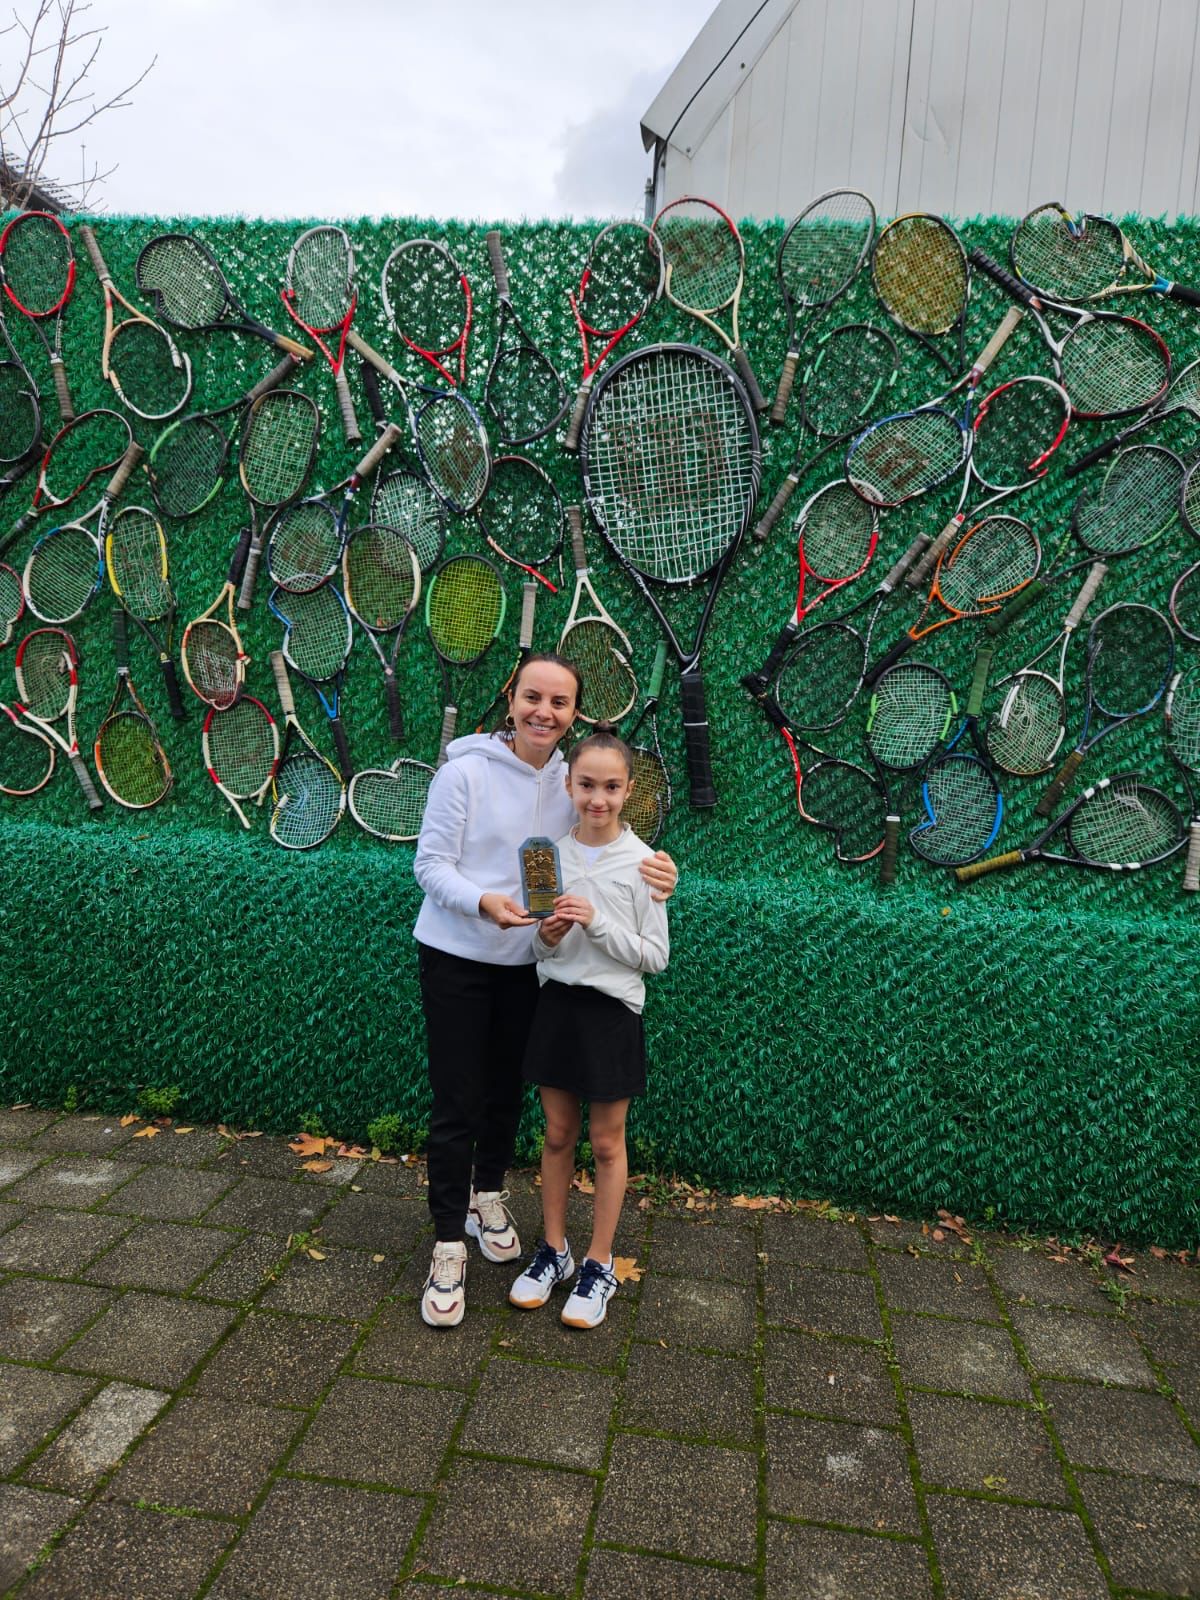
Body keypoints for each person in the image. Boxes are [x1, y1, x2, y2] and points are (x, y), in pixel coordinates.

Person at [412, 655, 676, 1328]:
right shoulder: (463, 772)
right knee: (458, 1101)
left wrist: (663, 872)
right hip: (458, 954)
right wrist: (484, 903)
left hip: (531, 966)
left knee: (506, 1095)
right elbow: (431, 865)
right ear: (512, 698)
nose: (544, 712)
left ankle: (488, 1196)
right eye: (533, 696)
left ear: (574, 714)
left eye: (560, 703)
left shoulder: (569, 778)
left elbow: (610, 842)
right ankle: (448, 1247)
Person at [509, 724, 668, 1329]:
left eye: (611, 787)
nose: (597, 799)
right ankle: (554, 1251)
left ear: (629, 791)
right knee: (556, 1134)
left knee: (605, 1143)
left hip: (612, 1013)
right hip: (556, 1008)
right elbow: (540, 951)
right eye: (586, 785)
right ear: (569, 785)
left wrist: (597, 923)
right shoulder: (546, 856)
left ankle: (600, 1264)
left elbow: (655, 957)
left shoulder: (647, 865)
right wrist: (548, 937)